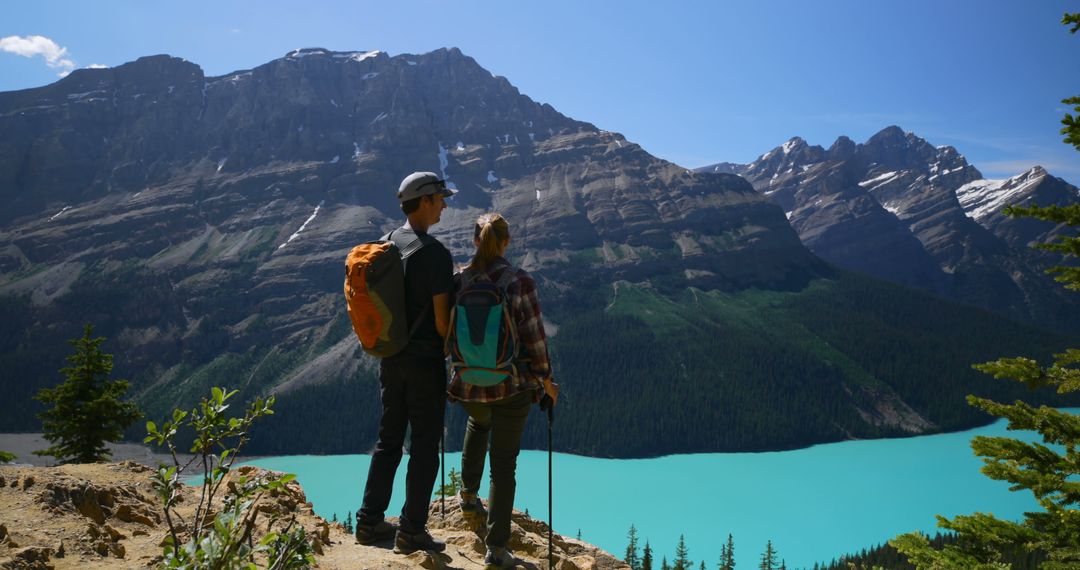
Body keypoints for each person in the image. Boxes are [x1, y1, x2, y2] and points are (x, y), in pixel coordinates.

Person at [448, 213, 560, 569]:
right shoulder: (519, 281)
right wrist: (546, 381)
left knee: (478, 423)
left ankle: (467, 495)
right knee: (503, 465)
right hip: (511, 384)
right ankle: (496, 550)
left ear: (475, 241)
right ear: (506, 242)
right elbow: (535, 339)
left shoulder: (459, 279)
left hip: (467, 382)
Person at [355, 171, 455, 555]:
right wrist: (448, 349)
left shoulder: (386, 244)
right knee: (426, 445)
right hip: (424, 361)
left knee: (389, 440)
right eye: (441, 198)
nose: (444, 204)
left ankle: (369, 521)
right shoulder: (435, 254)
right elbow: (442, 320)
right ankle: (412, 530)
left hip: (390, 358)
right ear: (426, 200)